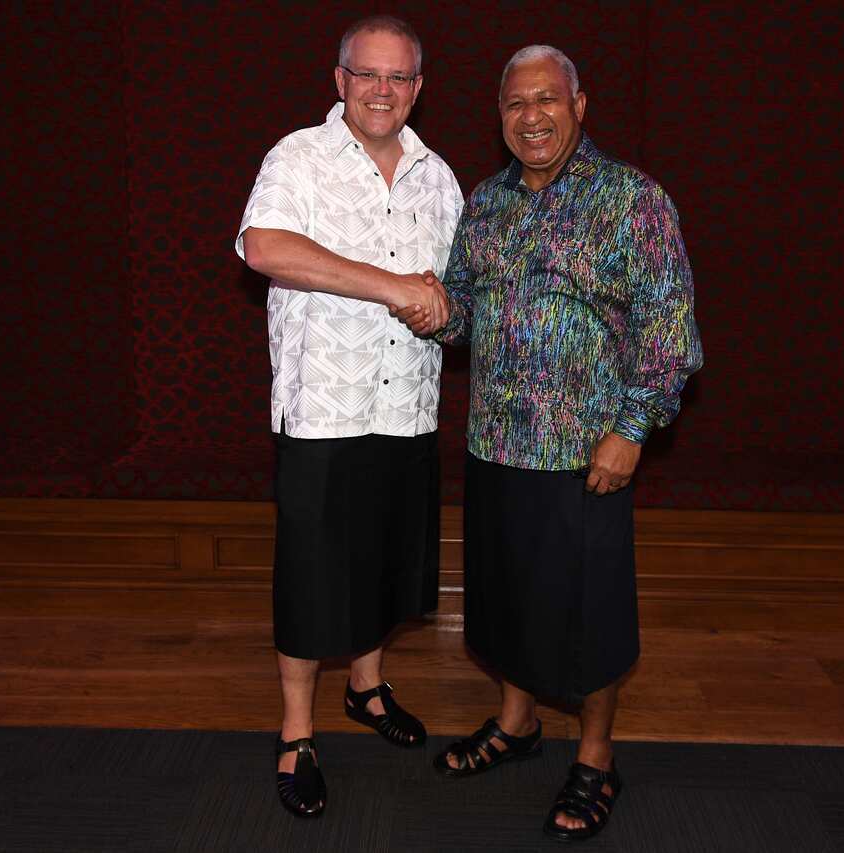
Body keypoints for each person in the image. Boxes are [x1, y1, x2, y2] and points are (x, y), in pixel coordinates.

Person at [396, 45, 702, 841]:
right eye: (514, 103)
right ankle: (517, 721)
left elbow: (669, 330)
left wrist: (630, 430)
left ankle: (596, 756)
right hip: (495, 444)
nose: (530, 116)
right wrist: (428, 305)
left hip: (584, 455)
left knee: (589, 617)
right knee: (503, 600)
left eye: (546, 99)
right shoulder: (486, 201)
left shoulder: (633, 199)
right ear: (499, 116)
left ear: (579, 105)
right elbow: (465, 310)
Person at [235, 14, 462, 819]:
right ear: (339, 80)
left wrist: (445, 306)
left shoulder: (439, 178)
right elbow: (263, 247)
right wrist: (392, 286)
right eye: (367, 74)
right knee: (310, 579)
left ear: (417, 88)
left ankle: (366, 687)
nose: (382, 90)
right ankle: (297, 733)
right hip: (325, 411)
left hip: (407, 407)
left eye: (398, 77)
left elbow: (454, 289)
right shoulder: (298, 157)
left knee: (383, 563)